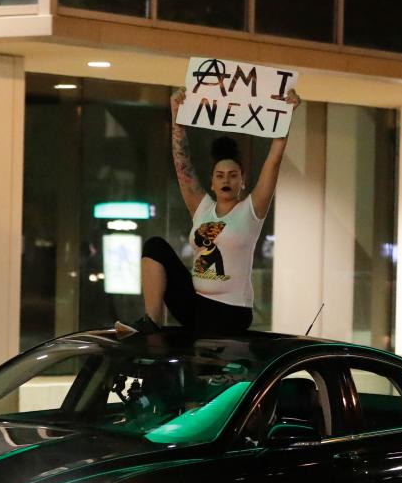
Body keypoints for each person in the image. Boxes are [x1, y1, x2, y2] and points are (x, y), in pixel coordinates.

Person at [126, 86, 302, 336]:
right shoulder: (203, 208)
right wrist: (177, 118)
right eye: (219, 175)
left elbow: (273, 162)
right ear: (212, 182)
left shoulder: (250, 211)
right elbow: (182, 165)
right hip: (197, 304)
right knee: (155, 247)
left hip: (229, 311)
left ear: (242, 181)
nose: (225, 180)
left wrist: (286, 115)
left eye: (233, 175)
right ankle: (151, 323)